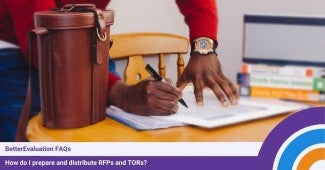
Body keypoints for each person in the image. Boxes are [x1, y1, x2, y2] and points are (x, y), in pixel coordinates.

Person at [0, 0, 238, 141]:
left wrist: (203, 47)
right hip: (13, 48)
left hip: (84, 42)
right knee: (29, 147)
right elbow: (40, 42)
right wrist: (122, 93)